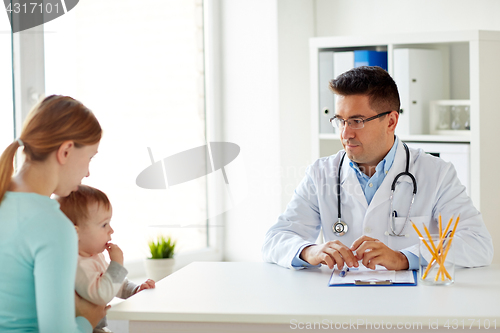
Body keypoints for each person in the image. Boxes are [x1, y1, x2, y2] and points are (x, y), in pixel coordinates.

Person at [262, 66, 493, 271]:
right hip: (342, 304)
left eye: (357, 121)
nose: (345, 133)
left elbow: (478, 243)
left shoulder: (436, 173)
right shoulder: (320, 174)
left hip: (412, 307)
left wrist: (404, 258)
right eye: (340, 120)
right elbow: (276, 239)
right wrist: (309, 251)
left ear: (391, 121)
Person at [0, 95, 108, 332]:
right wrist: (87, 319)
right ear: (66, 151)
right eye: (90, 157)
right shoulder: (55, 226)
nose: (88, 173)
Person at [57, 185, 156, 333]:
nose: (111, 230)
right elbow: (103, 294)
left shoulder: (94, 256)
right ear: (75, 233)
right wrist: (116, 264)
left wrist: (135, 290)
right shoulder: (77, 265)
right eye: (104, 225)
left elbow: (115, 284)